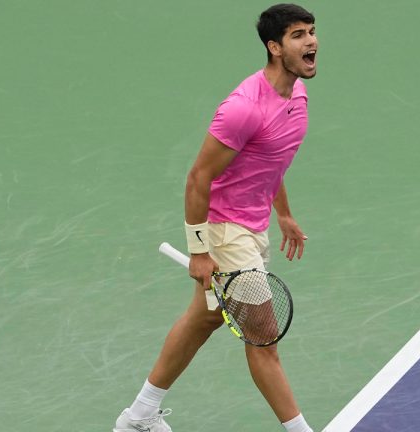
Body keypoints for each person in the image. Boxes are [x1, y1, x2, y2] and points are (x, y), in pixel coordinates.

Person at [114, 4, 318, 432]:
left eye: (312, 32)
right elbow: (197, 178)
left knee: (204, 318)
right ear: (274, 47)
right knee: (264, 342)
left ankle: (138, 416)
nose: (311, 41)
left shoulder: (297, 94)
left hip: (253, 226)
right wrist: (200, 251)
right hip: (225, 233)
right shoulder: (243, 108)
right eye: (298, 35)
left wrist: (284, 213)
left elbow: (270, 161)